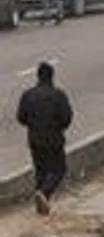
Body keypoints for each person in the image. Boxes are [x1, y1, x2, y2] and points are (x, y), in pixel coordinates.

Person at [16, 62, 73, 216]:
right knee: (59, 169)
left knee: (40, 170)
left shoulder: (27, 95)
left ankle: (40, 205)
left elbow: (21, 117)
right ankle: (45, 193)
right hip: (53, 138)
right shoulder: (59, 95)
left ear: (38, 76)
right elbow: (67, 118)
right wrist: (57, 127)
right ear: (52, 76)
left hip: (34, 138)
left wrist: (33, 125)